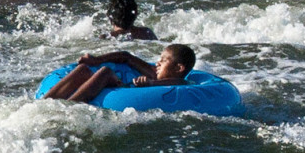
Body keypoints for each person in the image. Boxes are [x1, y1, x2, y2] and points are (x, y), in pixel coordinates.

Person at [42, 43, 197, 103]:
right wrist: (95, 60)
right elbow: (126, 57)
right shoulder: (153, 72)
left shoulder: (181, 83)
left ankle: (68, 106)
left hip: (125, 92)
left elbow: (177, 83)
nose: (157, 63)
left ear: (178, 68)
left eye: (163, 61)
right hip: (122, 88)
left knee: (107, 72)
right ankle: (44, 104)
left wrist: (150, 83)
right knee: (83, 70)